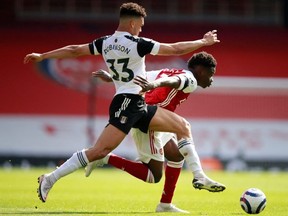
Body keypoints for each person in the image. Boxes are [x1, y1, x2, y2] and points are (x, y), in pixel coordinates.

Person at [23, 2, 220, 203]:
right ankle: (50, 178)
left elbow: (75, 50)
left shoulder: (105, 42)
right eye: (141, 25)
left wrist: (43, 55)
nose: (141, 29)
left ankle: (198, 176)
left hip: (139, 105)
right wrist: (203, 41)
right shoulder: (138, 43)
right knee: (99, 150)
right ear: (133, 23)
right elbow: (175, 49)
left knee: (182, 127)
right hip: (128, 103)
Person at [87, 51, 225, 213]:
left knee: (176, 155)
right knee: (153, 176)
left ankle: (165, 204)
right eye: (211, 73)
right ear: (201, 70)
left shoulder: (171, 70)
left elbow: (139, 77)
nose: (212, 79)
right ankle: (106, 158)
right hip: (149, 120)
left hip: (157, 119)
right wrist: (156, 85)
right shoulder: (190, 79)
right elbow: (173, 81)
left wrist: (112, 78)